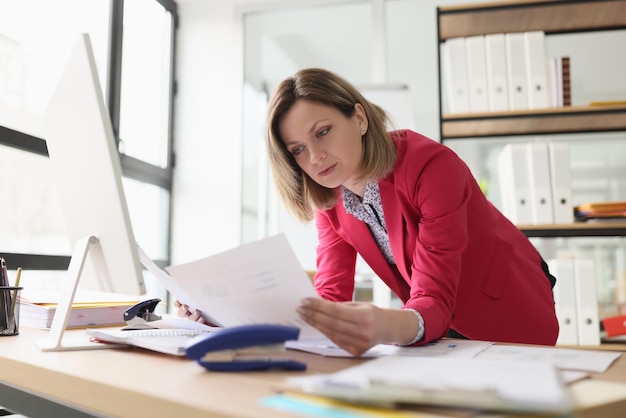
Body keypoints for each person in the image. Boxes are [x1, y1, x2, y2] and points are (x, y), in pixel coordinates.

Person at [179, 67, 559, 356]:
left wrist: (382, 325)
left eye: (322, 132)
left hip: (508, 314)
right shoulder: (330, 199)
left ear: (359, 118)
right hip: (440, 333)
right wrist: (225, 317)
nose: (315, 157)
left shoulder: (432, 167)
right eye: (297, 149)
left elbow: (435, 296)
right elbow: (330, 295)